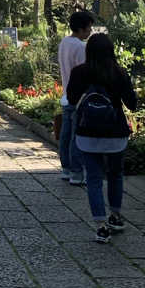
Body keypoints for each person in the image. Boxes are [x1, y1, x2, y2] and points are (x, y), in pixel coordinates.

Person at [67, 33, 138, 244]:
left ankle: (100, 227)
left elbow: (71, 99)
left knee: (94, 179)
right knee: (115, 175)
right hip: (115, 134)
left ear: (88, 51)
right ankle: (115, 216)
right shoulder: (119, 72)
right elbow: (132, 104)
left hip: (87, 133)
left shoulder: (80, 72)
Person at [57, 10, 95, 185]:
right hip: (78, 97)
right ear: (81, 29)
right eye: (88, 28)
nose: (90, 32)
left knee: (65, 135)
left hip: (66, 94)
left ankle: (65, 168)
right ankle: (76, 172)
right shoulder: (80, 47)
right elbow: (84, 74)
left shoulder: (64, 42)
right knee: (75, 136)